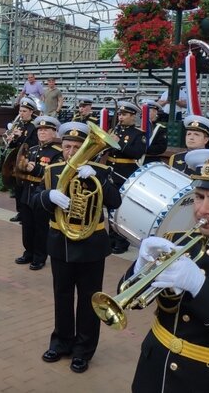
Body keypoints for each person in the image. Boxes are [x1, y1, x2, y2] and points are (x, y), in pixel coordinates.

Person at [128, 149, 209, 392]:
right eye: (199, 196)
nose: (202, 209)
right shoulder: (175, 240)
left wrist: (200, 288)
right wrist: (140, 266)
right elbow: (130, 301)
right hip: (155, 373)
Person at [33, 121, 122, 374]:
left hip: (91, 245)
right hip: (60, 241)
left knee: (87, 300)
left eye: (76, 146)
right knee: (61, 296)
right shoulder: (52, 171)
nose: (71, 152)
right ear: (61, 147)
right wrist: (46, 196)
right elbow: (34, 200)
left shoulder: (101, 171)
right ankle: (61, 342)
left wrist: (98, 181)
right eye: (67, 146)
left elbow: (116, 201)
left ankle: (83, 350)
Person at [14, 116, 63, 269]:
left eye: (46, 130)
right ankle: (28, 252)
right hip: (27, 192)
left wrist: (34, 169)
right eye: (40, 130)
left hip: (41, 195)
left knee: (40, 228)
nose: (42, 132)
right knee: (27, 227)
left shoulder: (57, 153)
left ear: (54, 132)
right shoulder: (33, 149)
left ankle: (40, 256)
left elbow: (55, 175)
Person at [107, 101, 146, 254]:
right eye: (120, 114)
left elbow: (137, 153)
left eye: (124, 115)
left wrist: (118, 144)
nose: (120, 117)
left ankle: (121, 241)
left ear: (132, 116)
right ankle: (111, 239)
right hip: (111, 170)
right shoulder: (114, 130)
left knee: (120, 208)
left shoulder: (138, 134)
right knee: (110, 206)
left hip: (125, 172)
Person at [7, 97, 40, 222]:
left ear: (31, 112)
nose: (21, 113)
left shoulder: (34, 125)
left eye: (24, 111)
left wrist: (20, 137)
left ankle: (27, 213)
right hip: (17, 159)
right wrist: (12, 139)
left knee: (26, 186)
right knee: (18, 187)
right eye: (20, 111)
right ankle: (20, 212)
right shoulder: (19, 124)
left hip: (28, 159)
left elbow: (34, 143)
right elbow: (13, 145)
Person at [141, 100, 168, 165]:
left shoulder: (160, 128)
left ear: (155, 112)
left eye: (148, 111)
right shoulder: (138, 126)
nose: (144, 113)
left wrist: (143, 149)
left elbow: (161, 147)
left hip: (150, 161)